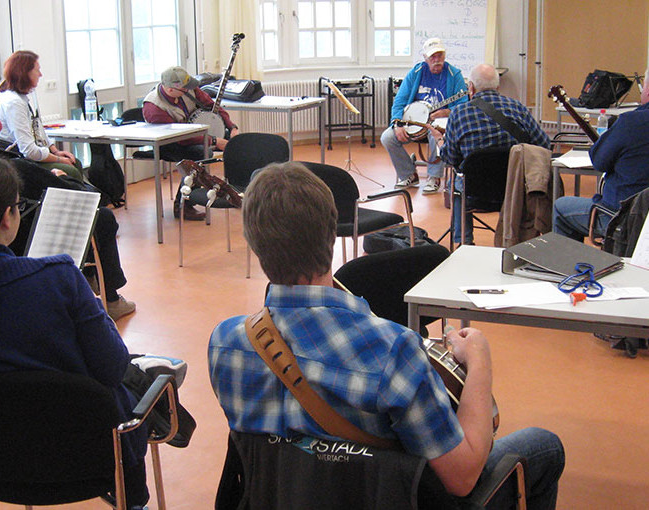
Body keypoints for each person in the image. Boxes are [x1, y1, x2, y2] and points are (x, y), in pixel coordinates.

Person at [208, 161, 564, 509]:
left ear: (254, 245)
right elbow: (462, 477)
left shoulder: (225, 343)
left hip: (282, 496)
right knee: (545, 446)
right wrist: (480, 360)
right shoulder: (394, 349)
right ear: (333, 236)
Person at [0, 155, 148, 509]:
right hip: (84, 457)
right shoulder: (58, 277)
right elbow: (112, 368)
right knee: (138, 379)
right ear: (7, 218)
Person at [0, 91, 135, 321]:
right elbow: (87, 197)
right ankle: (112, 298)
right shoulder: (11, 170)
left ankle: (90, 276)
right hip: (22, 246)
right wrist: (65, 178)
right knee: (103, 217)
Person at [434, 63, 551, 244]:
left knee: (453, 182)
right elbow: (543, 144)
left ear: (470, 87)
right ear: (498, 87)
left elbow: (451, 158)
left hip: (474, 193)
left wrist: (440, 142)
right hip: (515, 191)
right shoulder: (517, 107)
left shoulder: (458, 113)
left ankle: (463, 241)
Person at [553, 67, 649, 241]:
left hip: (622, 218)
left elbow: (599, 162)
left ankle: (566, 266)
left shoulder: (631, 123)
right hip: (641, 219)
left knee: (561, 207)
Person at [143, 66, 239, 220]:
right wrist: (214, 141)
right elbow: (179, 138)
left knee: (234, 143)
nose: (189, 90)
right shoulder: (154, 108)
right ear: (170, 90)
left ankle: (236, 191)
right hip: (169, 143)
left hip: (194, 135)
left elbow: (212, 106)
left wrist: (231, 127)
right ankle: (183, 204)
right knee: (202, 153)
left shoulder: (189, 89)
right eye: (184, 88)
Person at [381, 37, 468, 192]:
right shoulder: (416, 73)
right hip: (415, 122)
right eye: (432, 57)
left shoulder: (454, 75)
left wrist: (448, 111)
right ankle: (409, 175)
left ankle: (434, 177)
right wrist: (397, 123)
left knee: (436, 134)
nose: (436, 60)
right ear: (425, 58)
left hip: (440, 122)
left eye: (439, 56)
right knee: (387, 137)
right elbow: (400, 101)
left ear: (444, 56)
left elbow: (463, 105)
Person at [0, 50, 83, 180]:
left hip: (29, 156)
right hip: (19, 161)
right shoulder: (13, 103)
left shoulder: (23, 97)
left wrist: (55, 151)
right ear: (25, 73)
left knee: (76, 163)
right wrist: (58, 159)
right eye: (37, 70)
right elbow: (29, 151)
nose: (40, 74)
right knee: (70, 170)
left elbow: (38, 129)